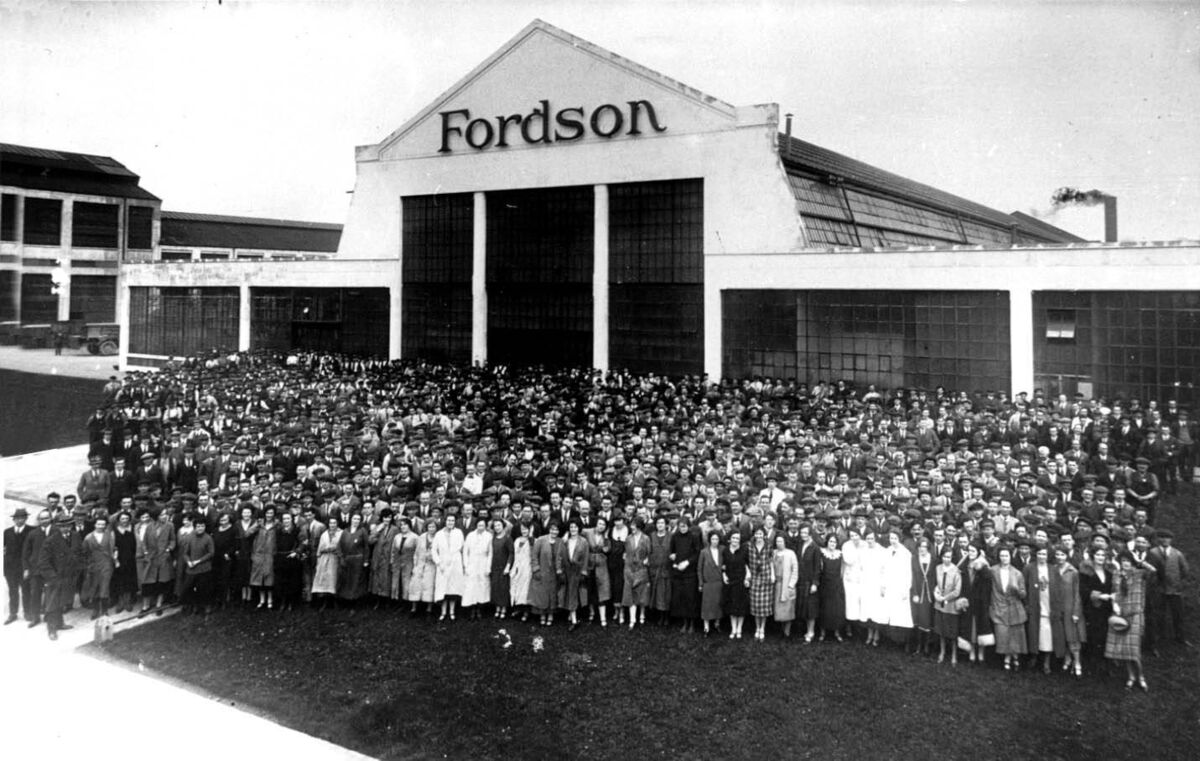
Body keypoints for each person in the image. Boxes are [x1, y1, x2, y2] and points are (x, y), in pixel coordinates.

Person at [1107, 551, 1156, 691]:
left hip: (1135, 614)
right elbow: (1114, 592)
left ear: (1132, 562)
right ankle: (1131, 677)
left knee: (1134, 650)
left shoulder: (1139, 574)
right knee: (1125, 649)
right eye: (1123, 561)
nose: (1125, 563)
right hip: (1121, 615)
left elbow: (1153, 571)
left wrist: (1140, 561)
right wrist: (1114, 604)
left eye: (1128, 561)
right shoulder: (1116, 574)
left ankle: (1141, 677)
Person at [1147, 529, 1190, 647]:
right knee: (1158, 614)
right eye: (1162, 537)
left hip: (1175, 589)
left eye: (1168, 538)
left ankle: (1180, 638)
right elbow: (1149, 571)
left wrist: (1179, 584)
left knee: (1178, 615)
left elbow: (1185, 570)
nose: (1165, 540)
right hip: (1158, 590)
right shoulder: (1152, 552)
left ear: (1171, 540)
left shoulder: (1177, 553)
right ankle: (1158, 638)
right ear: (1158, 539)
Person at [990, 546, 1028, 671]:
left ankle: (1015, 656)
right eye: (1002, 556)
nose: (1004, 558)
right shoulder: (993, 571)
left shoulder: (1017, 573)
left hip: (1014, 607)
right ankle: (1006, 657)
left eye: (1006, 555)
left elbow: (1023, 594)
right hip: (999, 606)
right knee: (1003, 633)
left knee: (1015, 633)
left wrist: (1017, 590)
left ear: (1010, 557)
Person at [1051, 545, 1086, 677]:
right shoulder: (1052, 570)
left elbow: (1077, 593)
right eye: (1058, 554)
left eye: (1062, 555)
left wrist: (1076, 611)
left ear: (1067, 556)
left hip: (1070, 607)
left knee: (1073, 637)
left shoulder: (1073, 572)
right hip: (1057, 608)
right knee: (1063, 635)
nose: (1060, 557)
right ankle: (1067, 658)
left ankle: (1077, 662)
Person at [38, 515, 75, 640]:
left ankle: (59, 624)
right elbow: (43, 562)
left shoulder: (73, 537)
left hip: (67, 576)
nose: (66, 528)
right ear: (58, 527)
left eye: (68, 525)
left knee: (61, 601)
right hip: (54, 577)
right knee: (52, 603)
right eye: (63, 526)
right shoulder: (51, 541)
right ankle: (51, 629)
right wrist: (52, 577)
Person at [960, 543, 994, 664]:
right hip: (968, 601)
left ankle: (981, 652)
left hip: (981, 602)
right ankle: (972, 650)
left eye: (973, 551)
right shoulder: (965, 566)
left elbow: (989, 579)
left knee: (981, 626)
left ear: (979, 552)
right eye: (969, 551)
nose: (971, 553)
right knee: (970, 627)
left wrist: (981, 566)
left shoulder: (984, 566)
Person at [1080, 546, 1114, 664]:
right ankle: (1092, 660)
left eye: (1103, 555)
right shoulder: (1086, 572)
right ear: (1092, 556)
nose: (1100, 557)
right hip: (1092, 608)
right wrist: (1098, 596)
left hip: (1106, 608)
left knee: (1105, 633)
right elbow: (1083, 590)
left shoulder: (1109, 573)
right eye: (1098, 555)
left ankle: (1105, 658)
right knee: (1093, 634)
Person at [1024, 545, 1056, 673]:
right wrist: (1027, 604)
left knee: (1048, 633)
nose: (1042, 557)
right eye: (1039, 554)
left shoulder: (1052, 570)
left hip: (1048, 604)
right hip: (1035, 604)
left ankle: (1046, 662)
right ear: (1035, 555)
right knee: (1034, 631)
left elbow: (1057, 589)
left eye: (1044, 554)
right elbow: (1024, 587)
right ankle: (1034, 657)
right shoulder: (1029, 568)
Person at [668, 515, 701, 633]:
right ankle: (684, 622)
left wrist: (687, 562)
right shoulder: (675, 537)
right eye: (680, 526)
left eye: (685, 526)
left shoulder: (694, 537)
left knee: (690, 598)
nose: (682, 528)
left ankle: (692, 623)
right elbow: (672, 551)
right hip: (678, 572)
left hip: (690, 572)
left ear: (688, 526)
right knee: (681, 598)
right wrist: (672, 557)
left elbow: (697, 553)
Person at [80, 514, 115, 619]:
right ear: (95, 525)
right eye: (99, 524)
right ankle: (95, 610)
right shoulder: (88, 537)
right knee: (94, 587)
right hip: (93, 565)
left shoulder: (110, 535)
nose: (101, 526)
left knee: (104, 587)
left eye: (103, 524)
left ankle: (104, 610)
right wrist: (88, 563)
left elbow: (113, 548)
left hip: (106, 564)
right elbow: (84, 551)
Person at [179, 513, 215, 616]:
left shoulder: (208, 538)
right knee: (188, 588)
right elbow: (185, 553)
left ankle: (204, 606)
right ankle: (190, 606)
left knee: (203, 589)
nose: (200, 528)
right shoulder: (190, 537)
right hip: (191, 569)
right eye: (198, 526)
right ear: (194, 527)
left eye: (202, 526)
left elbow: (211, 553)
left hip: (204, 568)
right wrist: (189, 561)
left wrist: (198, 561)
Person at [932, 546, 962, 665]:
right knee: (941, 631)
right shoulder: (938, 568)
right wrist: (936, 593)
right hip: (939, 605)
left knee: (952, 632)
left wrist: (945, 598)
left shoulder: (956, 571)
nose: (946, 559)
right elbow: (936, 584)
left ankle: (954, 655)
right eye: (944, 556)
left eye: (949, 557)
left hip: (951, 606)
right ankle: (942, 652)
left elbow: (957, 591)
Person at [530, 521, 563, 626]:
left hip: (554, 573)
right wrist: (536, 569)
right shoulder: (541, 540)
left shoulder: (560, 541)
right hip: (542, 572)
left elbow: (562, 557)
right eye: (552, 529)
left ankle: (551, 615)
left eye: (556, 530)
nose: (554, 531)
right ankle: (542, 615)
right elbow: (534, 556)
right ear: (549, 529)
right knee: (542, 594)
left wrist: (560, 570)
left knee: (552, 594)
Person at [461, 516, 493, 619]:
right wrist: (466, 565)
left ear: (486, 526)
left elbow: (490, 553)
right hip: (472, 562)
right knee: (471, 586)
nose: (481, 527)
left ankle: (479, 608)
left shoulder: (489, 536)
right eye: (479, 525)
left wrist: (488, 567)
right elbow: (465, 551)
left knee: (482, 586)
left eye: (483, 525)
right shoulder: (470, 535)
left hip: (483, 563)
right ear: (476, 526)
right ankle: (472, 608)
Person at [622, 517, 650, 629]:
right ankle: (632, 619)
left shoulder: (646, 539)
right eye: (631, 525)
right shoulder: (628, 538)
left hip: (641, 569)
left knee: (642, 594)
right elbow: (626, 552)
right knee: (630, 594)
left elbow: (649, 553)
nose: (632, 527)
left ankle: (642, 615)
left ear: (639, 526)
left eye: (634, 525)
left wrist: (647, 560)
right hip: (629, 569)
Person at [4, 508, 32, 624]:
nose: (20, 520)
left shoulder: (31, 531)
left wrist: (28, 568)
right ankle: (13, 613)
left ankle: (27, 612)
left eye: (22, 518)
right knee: (12, 591)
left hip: (24, 567)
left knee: (26, 590)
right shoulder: (7, 532)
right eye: (17, 518)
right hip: (10, 568)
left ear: (26, 518)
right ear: (14, 519)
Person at [367, 508, 399, 608]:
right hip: (377, 556)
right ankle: (377, 600)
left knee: (386, 578)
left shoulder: (395, 529)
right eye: (385, 517)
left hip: (388, 556)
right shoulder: (377, 527)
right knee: (376, 578)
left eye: (389, 517)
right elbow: (370, 541)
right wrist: (378, 530)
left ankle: (386, 600)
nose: (387, 520)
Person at [561, 520, 589, 630]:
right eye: (571, 527)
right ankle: (572, 617)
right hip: (568, 571)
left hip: (578, 570)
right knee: (570, 593)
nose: (573, 529)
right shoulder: (566, 541)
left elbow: (586, 557)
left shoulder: (583, 542)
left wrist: (584, 571)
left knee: (575, 594)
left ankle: (574, 618)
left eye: (575, 527)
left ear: (579, 529)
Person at [910, 537, 936, 655]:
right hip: (918, 592)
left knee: (927, 618)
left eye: (925, 547)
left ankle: (927, 645)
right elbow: (913, 577)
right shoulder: (914, 559)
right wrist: (915, 593)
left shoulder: (934, 560)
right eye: (920, 546)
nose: (922, 549)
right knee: (918, 618)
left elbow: (935, 578)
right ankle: (918, 645)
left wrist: (934, 592)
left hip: (929, 594)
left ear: (928, 548)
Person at [747, 526, 774, 640]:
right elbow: (745, 561)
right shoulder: (749, 546)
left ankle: (762, 628)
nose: (758, 536)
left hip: (766, 577)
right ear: (754, 535)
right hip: (754, 577)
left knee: (764, 606)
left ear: (764, 535)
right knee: (756, 605)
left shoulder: (768, 546)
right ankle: (757, 627)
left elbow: (771, 561)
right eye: (756, 534)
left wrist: (772, 574)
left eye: (760, 534)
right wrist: (747, 573)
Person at [817, 533, 845, 642]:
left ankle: (836, 632)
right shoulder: (822, 553)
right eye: (830, 541)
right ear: (827, 542)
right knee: (825, 608)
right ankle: (823, 632)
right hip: (825, 584)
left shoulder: (840, 554)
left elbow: (842, 571)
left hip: (836, 585)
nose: (832, 543)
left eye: (834, 542)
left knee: (836, 609)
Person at [795, 524, 821, 643]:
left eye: (805, 533)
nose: (803, 535)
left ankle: (811, 632)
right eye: (801, 533)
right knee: (803, 607)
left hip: (810, 582)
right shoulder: (800, 545)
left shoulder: (815, 548)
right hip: (801, 581)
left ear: (810, 534)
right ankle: (804, 630)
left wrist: (815, 583)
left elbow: (817, 568)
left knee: (811, 608)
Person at [273, 512, 304, 611]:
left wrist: (296, 552)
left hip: (292, 558)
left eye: (288, 519)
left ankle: (291, 602)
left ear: (292, 519)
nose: (286, 521)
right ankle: (283, 602)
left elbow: (302, 543)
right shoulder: (278, 531)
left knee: (292, 581)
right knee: (282, 581)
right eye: (284, 519)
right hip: (281, 558)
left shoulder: (297, 530)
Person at [338, 512, 370, 605]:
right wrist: (341, 557)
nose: (356, 521)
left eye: (358, 519)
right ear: (351, 519)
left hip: (358, 559)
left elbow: (366, 547)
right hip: (347, 559)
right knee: (346, 580)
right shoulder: (345, 531)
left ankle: (355, 601)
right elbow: (340, 545)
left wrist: (366, 560)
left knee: (356, 580)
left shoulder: (362, 531)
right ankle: (345, 600)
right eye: (354, 519)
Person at [407, 518, 438, 614]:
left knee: (429, 585)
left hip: (432, 565)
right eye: (430, 527)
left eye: (433, 527)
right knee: (416, 584)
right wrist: (415, 565)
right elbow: (416, 553)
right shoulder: (422, 537)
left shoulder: (438, 537)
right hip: (420, 564)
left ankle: (429, 607)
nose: (431, 529)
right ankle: (414, 607)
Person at [311, 517, 343, 608]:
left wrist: (335, 549)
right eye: (330, 523)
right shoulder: (324, 534)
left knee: (334, 579)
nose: (332, 525)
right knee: (324, 580)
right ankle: (325, 601)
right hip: (324, 559)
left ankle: (335, 601)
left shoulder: (341, 533)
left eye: (334, 523)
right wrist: (319, 557)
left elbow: (342, 547)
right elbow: (319, 549)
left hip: (335, 559)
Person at [723, 531, 750, 639]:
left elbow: (748, 565)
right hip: (730, 581)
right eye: (733, 538)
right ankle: (733, 628)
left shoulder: (744, 550)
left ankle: (739, 629)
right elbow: (723, 565)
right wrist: (724, 575)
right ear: (730, 539)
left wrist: (747, 578)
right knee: (732, 606)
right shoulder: (725, 551)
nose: (735, 540)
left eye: (737, 538)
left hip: (741, 581)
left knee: (741, 606)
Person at [110, 510, 138, 613]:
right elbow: (112, 547)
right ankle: (120, 603)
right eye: (122, 519)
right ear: (118, 520)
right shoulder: (114, 532)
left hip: (131, 559)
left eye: (127, 518)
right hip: (119, 560)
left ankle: (128, 602)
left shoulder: (134, 530)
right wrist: (115, 560)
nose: (125, 521)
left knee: (130, 581)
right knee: (120, 581)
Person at [697, 529, 724, 635]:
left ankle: (717, 624)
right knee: (707, 605)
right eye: (713, 539)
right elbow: (699, 569)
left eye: (717, 539)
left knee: (718, 604)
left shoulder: (722, 550)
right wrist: (700, 583)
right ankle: (706, 627)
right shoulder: (704, 552)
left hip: (719, 582)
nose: (715, 541)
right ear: (709, 540)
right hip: (708, 583)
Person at [584, 516, 610, 626]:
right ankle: (591, 613)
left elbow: (608, 549)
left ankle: (603, 617)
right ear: (596, 524)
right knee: (590, 589)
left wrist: (606, 539)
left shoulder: (606, 537)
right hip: (589, 564)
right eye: (600, 524)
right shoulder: (588, 532)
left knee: (602, 590)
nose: (601, 526)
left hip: (601, 565)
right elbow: (576, 530)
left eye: (603, 525)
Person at [772, 533, 799, 638]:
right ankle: (780, 630)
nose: (779, 543)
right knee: (778, 609)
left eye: (781, 541)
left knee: (788, 608)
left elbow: (795, 570)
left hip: (787, 584)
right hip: (777, 584)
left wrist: (791, 584)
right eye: (777, 541)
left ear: (785, 542)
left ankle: (787, 631)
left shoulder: (790, 553)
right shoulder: (774, 553)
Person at [250, 508, 277, 610]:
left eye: (271, 513)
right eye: (267, 513)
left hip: (270, 554)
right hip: (259, 554)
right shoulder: (259, 525)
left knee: (269, 578)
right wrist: (256, 525)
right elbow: (247, 533)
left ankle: (270, 600)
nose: (269, 515)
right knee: (259, 578)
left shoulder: (276, 526)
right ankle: (262, 600)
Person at [648, 516, 672, 625]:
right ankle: (659, 616)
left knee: (666, 594)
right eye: (658, 523)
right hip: (655, 569)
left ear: (666, 525)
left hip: (666, 570)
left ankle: (666, 616)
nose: (660, 525)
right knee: (657, 594)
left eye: (662, 523)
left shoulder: (671, 536)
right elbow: (648, 551)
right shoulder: (652, 536)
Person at [489, 517, 514, 619]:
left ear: (503, 526)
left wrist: (508, 566)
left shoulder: (507, 538)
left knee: (503, 588)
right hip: (495, 566)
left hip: (504, 567)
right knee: (496, 587)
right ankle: (497, 608)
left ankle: (503, 608)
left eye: (499, 525)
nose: (497, 527)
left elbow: (511, 553)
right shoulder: (493, 538)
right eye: (495, 526)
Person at [390, 517, 418, 605]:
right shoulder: (397, 537)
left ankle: (407, 602)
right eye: (401, 525)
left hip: (409, 563)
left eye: (405, 524)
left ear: (409, 525)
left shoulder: (415, 537)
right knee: (396, 582)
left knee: (406, 583)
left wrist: (415, 565)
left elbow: (417, 552)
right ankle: (396, 601)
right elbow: (393, 550)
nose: (403, 527)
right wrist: (392, 561)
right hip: (397, 563)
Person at [509, 521, 533, 620]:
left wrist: (531, 536)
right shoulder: (517, 540)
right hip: (517, 566)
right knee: (516, 587)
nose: (524, 531)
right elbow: (514, 554)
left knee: (525, 589)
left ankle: (526, 611)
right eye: (522, 529)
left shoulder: (532, 540)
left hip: (527, 566)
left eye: (526, 529)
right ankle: (518, 608)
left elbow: (532, 552)